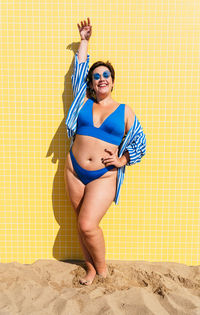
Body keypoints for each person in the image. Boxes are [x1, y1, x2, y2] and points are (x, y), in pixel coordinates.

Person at [64, 18, 146, 285]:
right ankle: (90, 269)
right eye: (96, 76)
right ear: (92, 82)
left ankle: (103, 271)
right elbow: (79, 70)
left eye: (106, 75)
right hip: (74, 169)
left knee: (88, 224)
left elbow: (141, 142)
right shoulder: (83, 101)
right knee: (80, 224)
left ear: (112, 81)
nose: (101, 79)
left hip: (104, 175)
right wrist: (84, 42)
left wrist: (122, 159)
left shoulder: (124, 111)